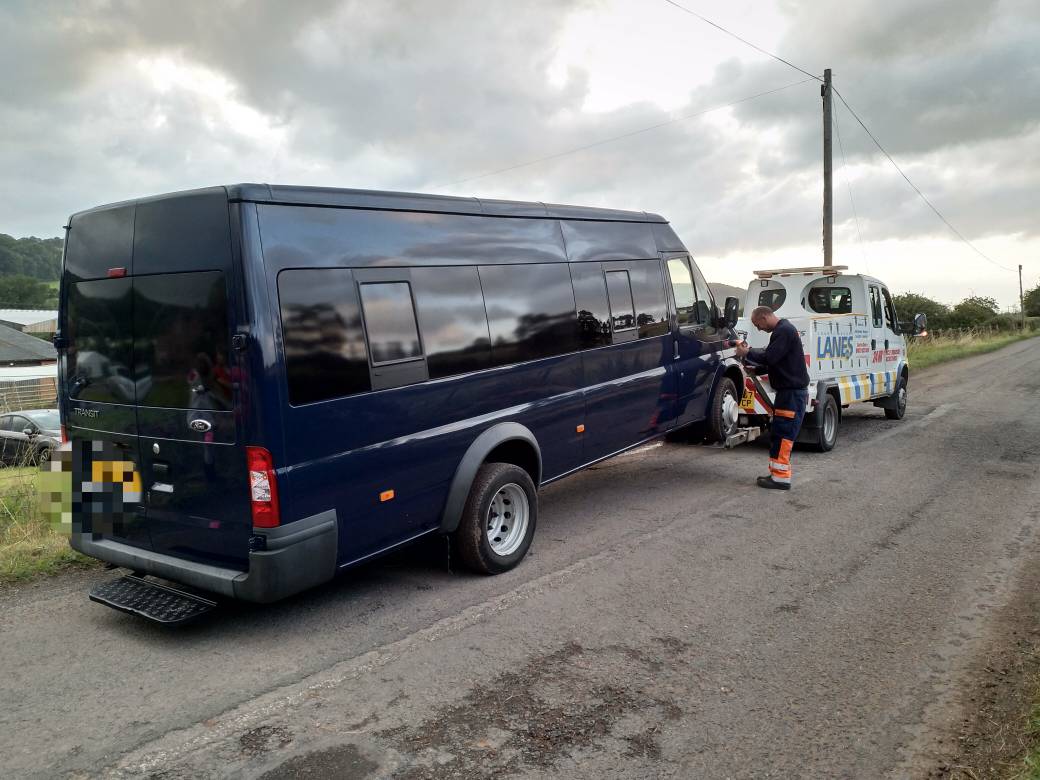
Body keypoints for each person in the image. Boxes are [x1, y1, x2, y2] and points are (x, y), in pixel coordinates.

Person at [733, 306, 810, 490]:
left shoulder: (783, 331)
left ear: (764, 317)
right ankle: (777, 474)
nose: (758, 328)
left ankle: (781, 479)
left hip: (791, 395)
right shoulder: (783, 330)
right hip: (789, 394)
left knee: (783, 435)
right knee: (779, 434)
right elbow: (777, 362)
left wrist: (747, 352)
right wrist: (757, 369)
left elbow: (770, 357)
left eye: (757, 324)